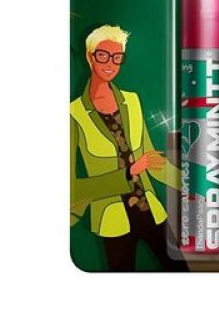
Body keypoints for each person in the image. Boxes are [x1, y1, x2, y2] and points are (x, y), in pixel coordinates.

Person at [70, 24, 187, 271]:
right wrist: (129, 172)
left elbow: (152, 162)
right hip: (112, 221)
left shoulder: (132, 101)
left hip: (151, 211)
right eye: (103, 55)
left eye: (117, 57)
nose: (110, 63)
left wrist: (192, 186)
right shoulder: (74, 114)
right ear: (90, 56)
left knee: (180, 270)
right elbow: (73, 188)